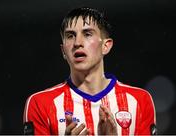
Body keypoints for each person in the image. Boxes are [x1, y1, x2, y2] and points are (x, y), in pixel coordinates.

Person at [23, 7, 157, 135]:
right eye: (70, 36)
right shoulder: (40, 104)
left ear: (106, 46)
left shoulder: (139, 101)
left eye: (87, 34)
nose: (77, 43)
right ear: (63, 51)